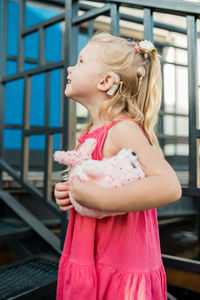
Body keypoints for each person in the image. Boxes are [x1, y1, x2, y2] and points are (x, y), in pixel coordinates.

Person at [54, 31, 182, 300]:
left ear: (105, 81)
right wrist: (70, 193)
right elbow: (105, 178)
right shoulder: (90, 133)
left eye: (80, 61)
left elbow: (168, 186)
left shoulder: (123, 129)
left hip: (120, 263)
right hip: (92, 255)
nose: (70, 67)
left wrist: (100, 197)